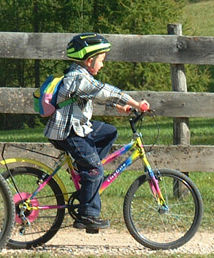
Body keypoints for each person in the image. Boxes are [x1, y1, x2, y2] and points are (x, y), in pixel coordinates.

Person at [45, 33, 150, 232]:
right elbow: (105, 91)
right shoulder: (77, 78)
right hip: (69, 132)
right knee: (95, 170)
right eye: (101, 60)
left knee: (109, 132)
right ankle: (88, 215)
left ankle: (85, 169)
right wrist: (136, 103)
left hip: (78, 126)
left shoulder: (80, 76)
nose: (103, 65)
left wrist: (120, 107)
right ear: (89, 60)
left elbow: (90, 98)